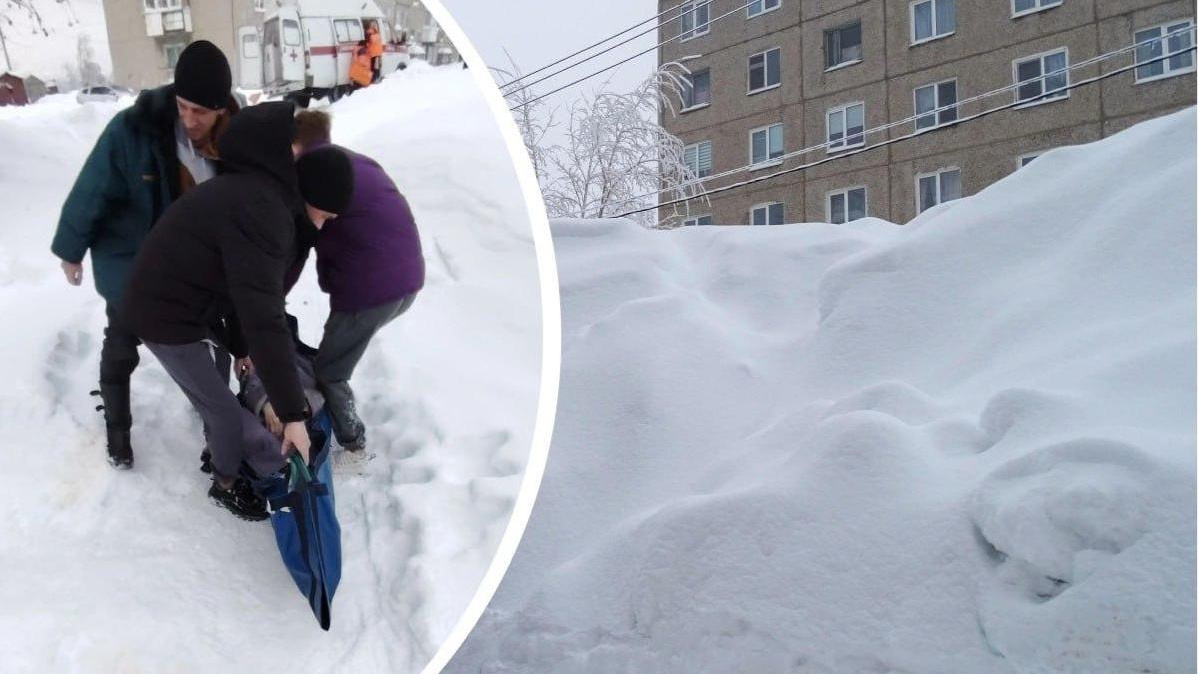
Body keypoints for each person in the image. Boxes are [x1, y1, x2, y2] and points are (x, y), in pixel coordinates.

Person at [122, 102, 355, 521]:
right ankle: (225, 482)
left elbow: (242, 290)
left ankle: (220, 433)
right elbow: (264, 317)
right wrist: (292, 415)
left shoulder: (261, 196)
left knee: (223, 380)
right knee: (224, 412)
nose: (327, 223)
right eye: (327, 214)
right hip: (162, 314)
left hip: (190, 297)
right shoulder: (264, 212)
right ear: (312, 196)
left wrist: (240, 345)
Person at [51, 40, 238, 469]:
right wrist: (70, 249)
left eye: (201, 112)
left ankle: (212, 411)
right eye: (183, 106)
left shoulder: (233, 140)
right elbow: (92, 190)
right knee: (121, 346)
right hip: (131, 261)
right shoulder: (132, 130)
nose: (189, 119)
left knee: (219, 337)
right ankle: (118, 434)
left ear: (221, 110)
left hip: (191, 270)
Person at [291, 110, 424, 453]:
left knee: (331, 371)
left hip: (372, 290)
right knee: (335, 355)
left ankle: (354, 445)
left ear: (295, 145)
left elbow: (304, 241)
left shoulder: (312, 179)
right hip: (407, 280)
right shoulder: (353, 162)